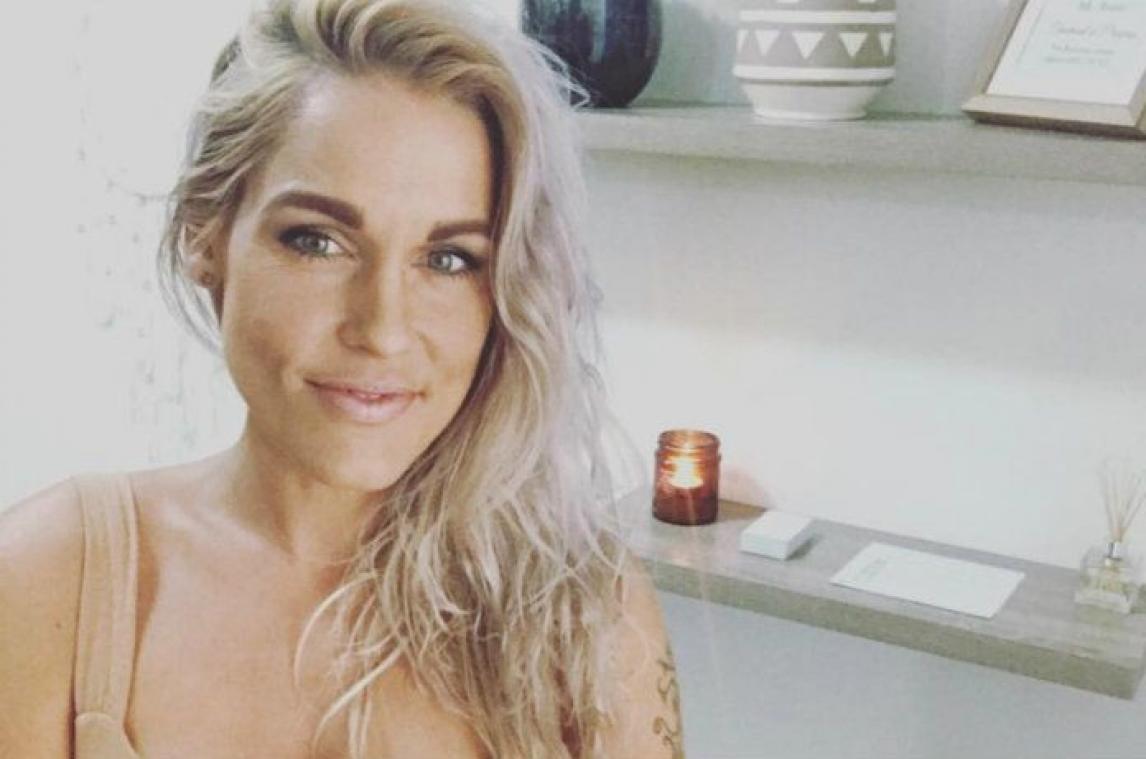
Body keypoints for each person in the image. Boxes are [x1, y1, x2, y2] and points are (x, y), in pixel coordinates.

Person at [0, 0, 684, 757]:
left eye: (448, 259)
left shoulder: (587, 617)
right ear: (206, 232)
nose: (382, 328)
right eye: (317, 241)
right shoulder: (45, 578)